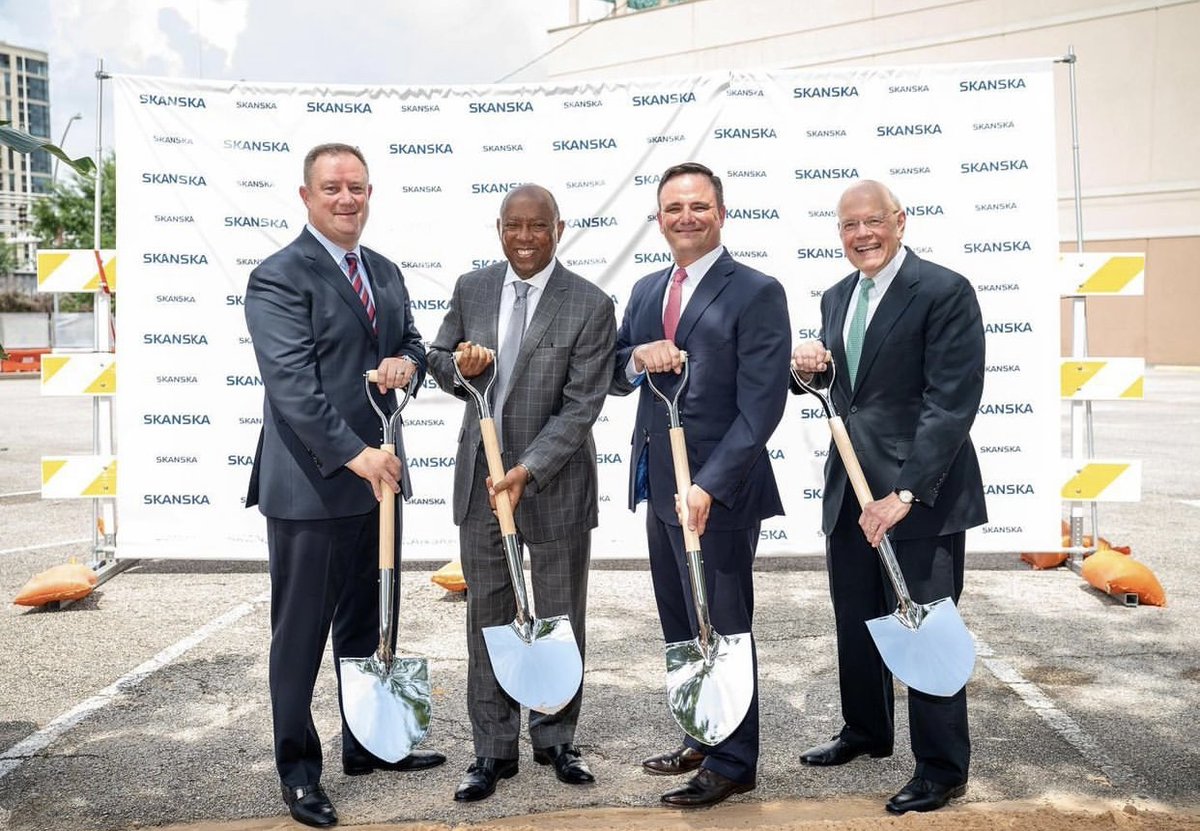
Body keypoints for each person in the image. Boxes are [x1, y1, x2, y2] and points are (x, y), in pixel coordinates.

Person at [244, 143, 445, 829]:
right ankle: (299, 773)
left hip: (378, 480)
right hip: (313, 485)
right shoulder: (278, 276)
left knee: (369, 621)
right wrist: (357, 455)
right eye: (331, 187)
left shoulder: (383, 271)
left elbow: (412, 342)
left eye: (356, 187)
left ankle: (370, 742)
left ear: (369, 193)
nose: (346, 198)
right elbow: (292, 387)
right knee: (300, 638)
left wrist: (406, 364)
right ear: (306, 196)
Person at [790, 179, 987, 814]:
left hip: (919, 495)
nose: (862, 235)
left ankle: (941, 768)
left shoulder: (944, 291)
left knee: (925, 626)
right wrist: (806, 369)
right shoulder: (836, 296)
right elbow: (843, 392)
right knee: (857, 616)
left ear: (900, 221)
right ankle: (866, 731)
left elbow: (949, 403)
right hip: (850, 488)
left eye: (873, 221)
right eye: (849, 225)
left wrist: (904, 493)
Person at [426, 184, 616, 803]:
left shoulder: (590, 303)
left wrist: (529, 469)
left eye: (538, 226)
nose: (525, 238)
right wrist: (460, 367)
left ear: (558, 228)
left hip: (554, 483)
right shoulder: (472, 288)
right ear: (499, 228)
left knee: (559, 616)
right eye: (514, 226)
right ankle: (493, 749)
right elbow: (437, 358)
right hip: (481, 482)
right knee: (488, 616)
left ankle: (556, 739)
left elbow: (581, 405)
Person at [610, 162, 791, 808]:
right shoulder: (646, 290)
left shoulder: (757, 291)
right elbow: (614, 369)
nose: (685, 217)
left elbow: (762, 406)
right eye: (673, 208)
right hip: (661, 485)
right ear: (658, 218)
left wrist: (709, 485)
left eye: (698, 206)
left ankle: (734, 760)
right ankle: (701, 730)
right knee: (683, 623)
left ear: (721, 213)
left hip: (721, 492)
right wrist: (637, 356)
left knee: (723, 624)